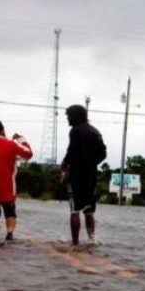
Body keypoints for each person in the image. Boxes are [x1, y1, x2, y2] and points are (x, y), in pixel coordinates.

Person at [60, 104, 107, 247]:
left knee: (75, 210)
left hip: (76, 174)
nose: (67, 119)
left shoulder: (75, 131)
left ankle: (75, 244)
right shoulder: (95, 131)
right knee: (89, 210)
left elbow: (72, 150)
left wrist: (64, 165)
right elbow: (103, 153)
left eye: (68, 116)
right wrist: (91, 163)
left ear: (75, 116)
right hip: (91, 175)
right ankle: (91, 239)